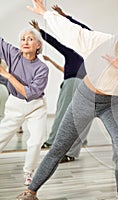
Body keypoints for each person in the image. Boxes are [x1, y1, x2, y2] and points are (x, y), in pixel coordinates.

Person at [18, 1, 118, 200]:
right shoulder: (105, 42)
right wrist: (45, 14)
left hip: (112, 104)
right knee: (59, 146)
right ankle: (31, 191)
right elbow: (75, 32)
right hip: (85, 98)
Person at [29, 6, 91, 155]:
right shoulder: (88, 51)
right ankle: (80, 140)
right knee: (80, 116)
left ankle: (52, 141)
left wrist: (40, 31)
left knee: (63, 113)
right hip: (86, 86)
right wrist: (65, 16)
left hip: (73, 83)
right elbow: (84, 30)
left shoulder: (73, 51)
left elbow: (55, 42)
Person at [0, 27, 49, 186]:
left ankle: (29, 173)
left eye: (30, 39)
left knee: (36, 140)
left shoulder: (42, 68)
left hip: (35, 107)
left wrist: (8, 76)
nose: (25, 42)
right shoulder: (13, 54)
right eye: (23, 39)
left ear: (38, 45)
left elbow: (30, 93)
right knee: (1, 137)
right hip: (15, 104)